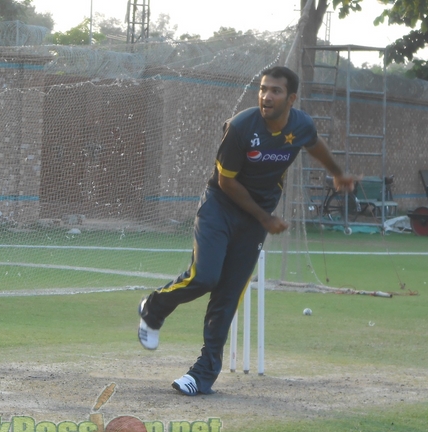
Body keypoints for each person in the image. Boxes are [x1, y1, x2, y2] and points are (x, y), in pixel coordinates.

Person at [137, 66, 355, 396]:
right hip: (220, 208)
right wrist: (265, 218)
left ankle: (202, 375)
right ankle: (154, 308)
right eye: (263, 89)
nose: (266, 96)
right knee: (205, 277)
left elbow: (315, 144)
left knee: (228, 295)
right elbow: (227, 181)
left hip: (256, 218)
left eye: (276, 91)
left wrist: (338, 173)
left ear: (291, 98)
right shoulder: (240, 127)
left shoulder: (300, 126)